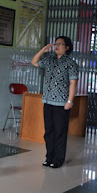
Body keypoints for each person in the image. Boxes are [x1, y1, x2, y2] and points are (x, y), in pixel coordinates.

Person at [31, 36, 79, 168]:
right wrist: (43, 50)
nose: (57, 46)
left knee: (60, 132)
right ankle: (49, 157)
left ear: (67, 47)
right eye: (56, 44)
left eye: (60, 44)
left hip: (62, 103)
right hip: (48, 101)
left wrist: (70, 101)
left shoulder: (71, 63)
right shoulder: (49, 60)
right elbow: (34, 62)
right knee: (49, 132)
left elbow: (73, 83)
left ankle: (58, 159)